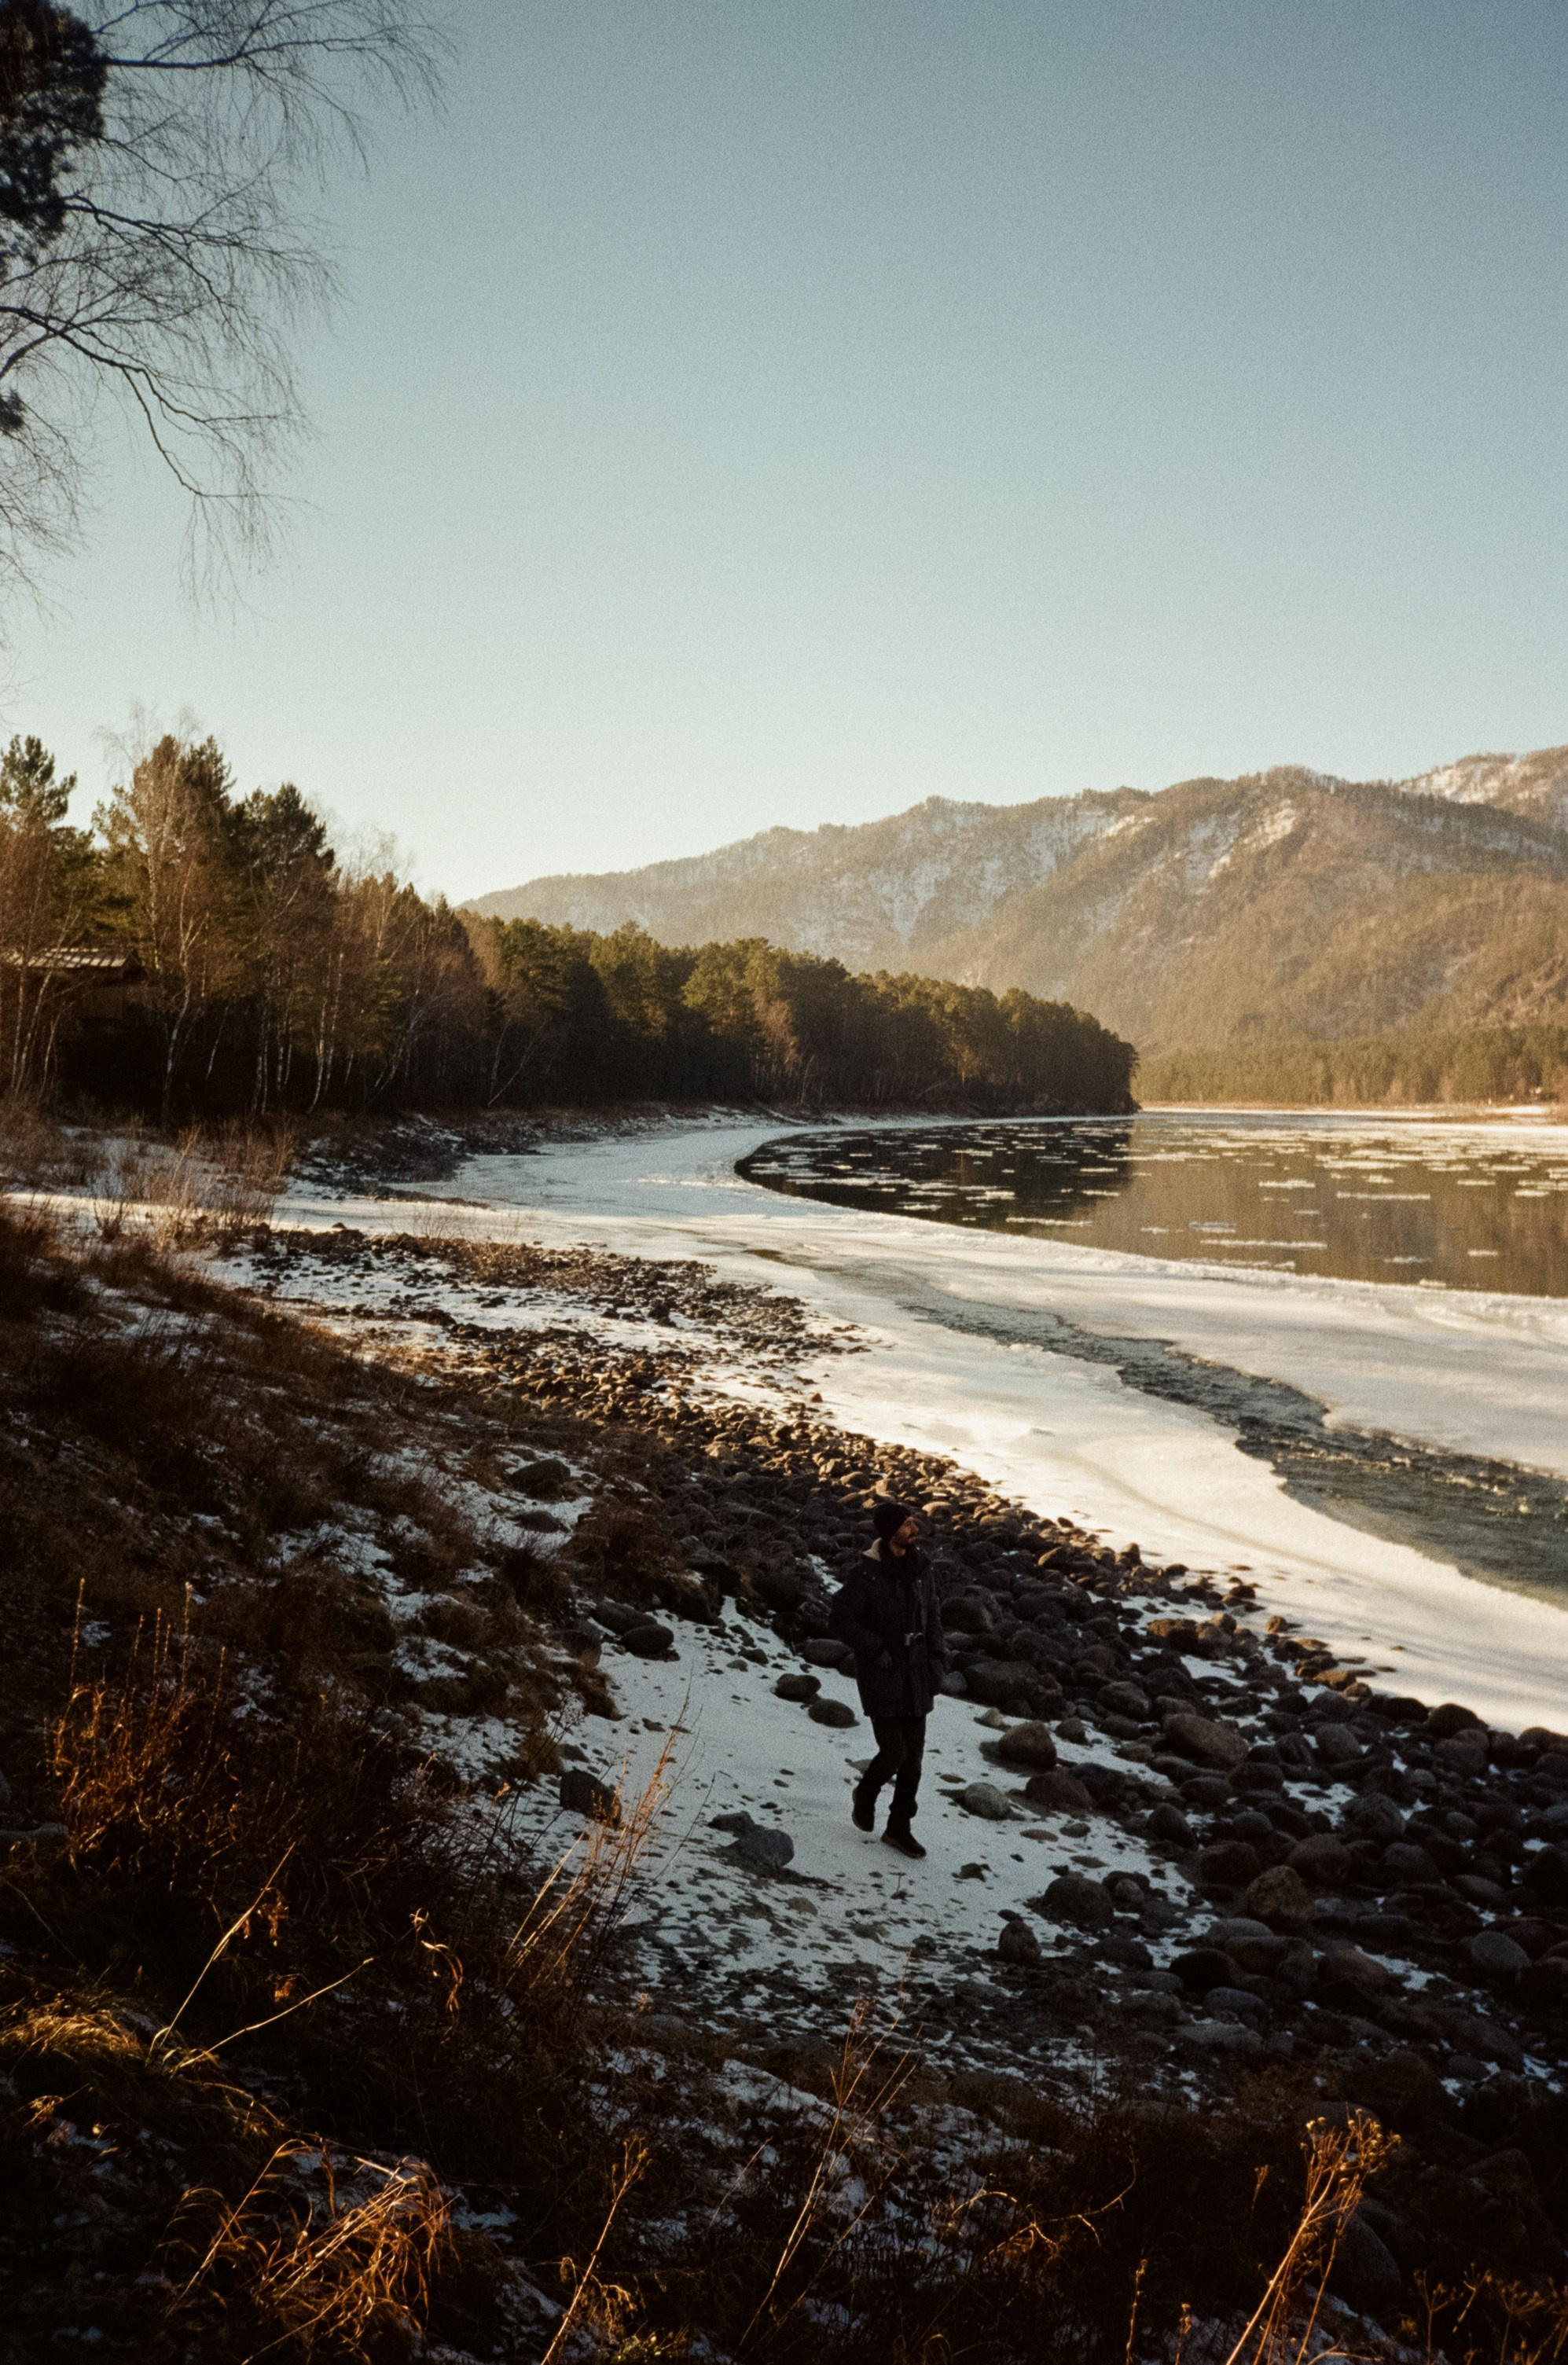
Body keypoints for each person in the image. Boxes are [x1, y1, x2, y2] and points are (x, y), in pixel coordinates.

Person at [828, 1497, 946, 1860]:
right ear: (890, 1531)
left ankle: (899, 1828)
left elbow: (933, 1615)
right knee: (894, 1752)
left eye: (913, 1522)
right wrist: (876, 1649)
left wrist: (938, 1660)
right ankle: (865, 1793)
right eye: (908, 1523)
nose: (915, 1529)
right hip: (883, 1674)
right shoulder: (866, 1573)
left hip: (917, 1674)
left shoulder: (921, 1568)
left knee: (914, 1761)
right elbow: (841, 1619)